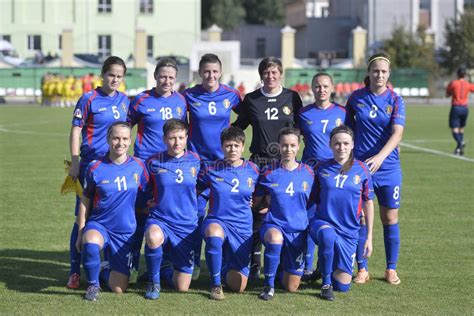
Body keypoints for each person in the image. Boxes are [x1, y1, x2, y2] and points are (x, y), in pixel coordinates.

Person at [233, 56, 303, 280]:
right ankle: (254, 261)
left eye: (274, 72)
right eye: (266, 72)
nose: (270, 76)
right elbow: (238, 127)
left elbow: (303, 129)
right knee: (255, 211)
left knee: (283, 210)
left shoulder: (292, 97)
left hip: (284, 164)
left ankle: (286, 261)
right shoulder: (252, 99)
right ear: (260, 74)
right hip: (259, 163)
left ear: (280, 74)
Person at [67, 56, 129, 290]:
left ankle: (106, 265)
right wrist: (75, 161)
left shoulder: (124, 101)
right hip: (91, 165)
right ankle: (74, 271)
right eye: (111, 74)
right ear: (102, 75)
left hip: (115, 166)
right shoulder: (88, 99)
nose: (115, 79)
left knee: (109, 215)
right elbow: (75, 131)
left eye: (119, 76)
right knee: (81, 216)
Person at [346, 52, 405, 285]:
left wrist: (380, 156)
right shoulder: (355, 98)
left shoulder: (396, 100)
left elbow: (398, 133)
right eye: (375, 71)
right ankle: (363, 268)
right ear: (368, 73)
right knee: (361, 217)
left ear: (388, 74)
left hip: (388, 168)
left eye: (383, 71)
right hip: (362, 168)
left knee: (389, 217)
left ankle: (391, 268)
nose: (379, 75)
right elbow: (347, 132)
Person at [127, 58, 187, 281]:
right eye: (163, 76)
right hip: (144, 166)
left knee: (169, 212)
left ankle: (166, 264)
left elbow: (183, 132)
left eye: (171, 77)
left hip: (171, 167)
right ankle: (131, 262)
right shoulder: (141, 100)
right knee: (140, 213)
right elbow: (125, 127)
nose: (167, 81)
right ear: (155, 76)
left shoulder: (181, 101)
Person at [75, 122, 149, 301]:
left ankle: (102, 269)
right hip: (99, 224)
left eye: (125, 138)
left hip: (125, 231)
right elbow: (85, 201)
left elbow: (146, 199)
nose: (120, 143)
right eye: (116, 138)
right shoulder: (95, 167)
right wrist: (80, 232)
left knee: (118, 288)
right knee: (91, 242)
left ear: (131, 141)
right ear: (108, 139)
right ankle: (93, 285)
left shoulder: (139, 166)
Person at [182, 53, 241, 279]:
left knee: (224, 214)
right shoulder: (189, 95)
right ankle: (193, 260)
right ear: (200, 73)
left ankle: (226, 263)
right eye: (206, 71)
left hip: (223, 166)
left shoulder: (231, 95)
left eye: (215, 71)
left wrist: (231, 135)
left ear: (220, 72)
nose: (211, 75)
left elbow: (245, 117)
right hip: (196, 166)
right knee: (195, 214)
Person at [309, 125, 374, 301]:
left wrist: (369, 237)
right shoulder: (321, 168)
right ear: (330, 145)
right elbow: (310, 198)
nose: (341, 147)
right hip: (323, 224)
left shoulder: (362, 169)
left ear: (353, 145)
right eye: (337, 143)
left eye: (346, 143)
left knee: (343, 286)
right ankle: (326, 284)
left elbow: (368, 202)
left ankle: (324, 268)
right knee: (328, 236)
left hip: (349, 232)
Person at [197, 127, 260, 300]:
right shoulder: (211, 169)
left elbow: (262, 193)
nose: (232, 149)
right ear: (222, 147)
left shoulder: (253, 170)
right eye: (228, 145)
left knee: (238, 286)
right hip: (218, 220)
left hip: (242, 226)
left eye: (236, 145)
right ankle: (215, 284)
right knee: (214, 234)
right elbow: (195, 189)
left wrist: (260, 203)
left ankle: (224, 266)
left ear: (243, 147)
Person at [143, 119, 201, 300]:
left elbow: (209, 184)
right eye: (172, 138)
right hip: (161, 219)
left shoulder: (196, 160)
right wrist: (146, 202)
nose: (177, 143)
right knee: (153, 237)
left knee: (182, 287)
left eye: (181, 138)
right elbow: (142, 188)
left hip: (186, 224)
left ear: (186, 138)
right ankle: (153, 282)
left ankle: (163, 270)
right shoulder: (153, 162)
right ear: (164, 139)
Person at [254, 127, 314, 300]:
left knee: (291, 287)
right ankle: (268, 286)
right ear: (278, 146)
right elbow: (257, 202)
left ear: (299, 146)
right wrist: (263, 203)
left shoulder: (309, 173)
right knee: (274, 239)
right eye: (284, 145)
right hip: (274, 225)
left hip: (298, 231)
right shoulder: (268, 172)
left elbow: (314, 200)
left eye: (292, 145)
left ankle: (281, 268)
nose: (288, 149)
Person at [297, 72, 346, 279]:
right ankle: (307, 266)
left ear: (332, 88)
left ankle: (328, 264)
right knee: (308, 217)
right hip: (310, 173)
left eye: (325, 86)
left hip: (334, 173)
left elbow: (351, 139)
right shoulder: (303, 113)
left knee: (333, 217)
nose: (321, 90)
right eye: (317, 86)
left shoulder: (343, 113)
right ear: (312, 88)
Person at [446, 67, 474, 155]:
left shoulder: (453, 83)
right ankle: (459, 149)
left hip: (456, 107)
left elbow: (447, 94)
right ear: (465, 75)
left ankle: (460, 143)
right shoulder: (468, 84)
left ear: (457, 74)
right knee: (461, 128)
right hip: (465, 108)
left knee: (454, 129)